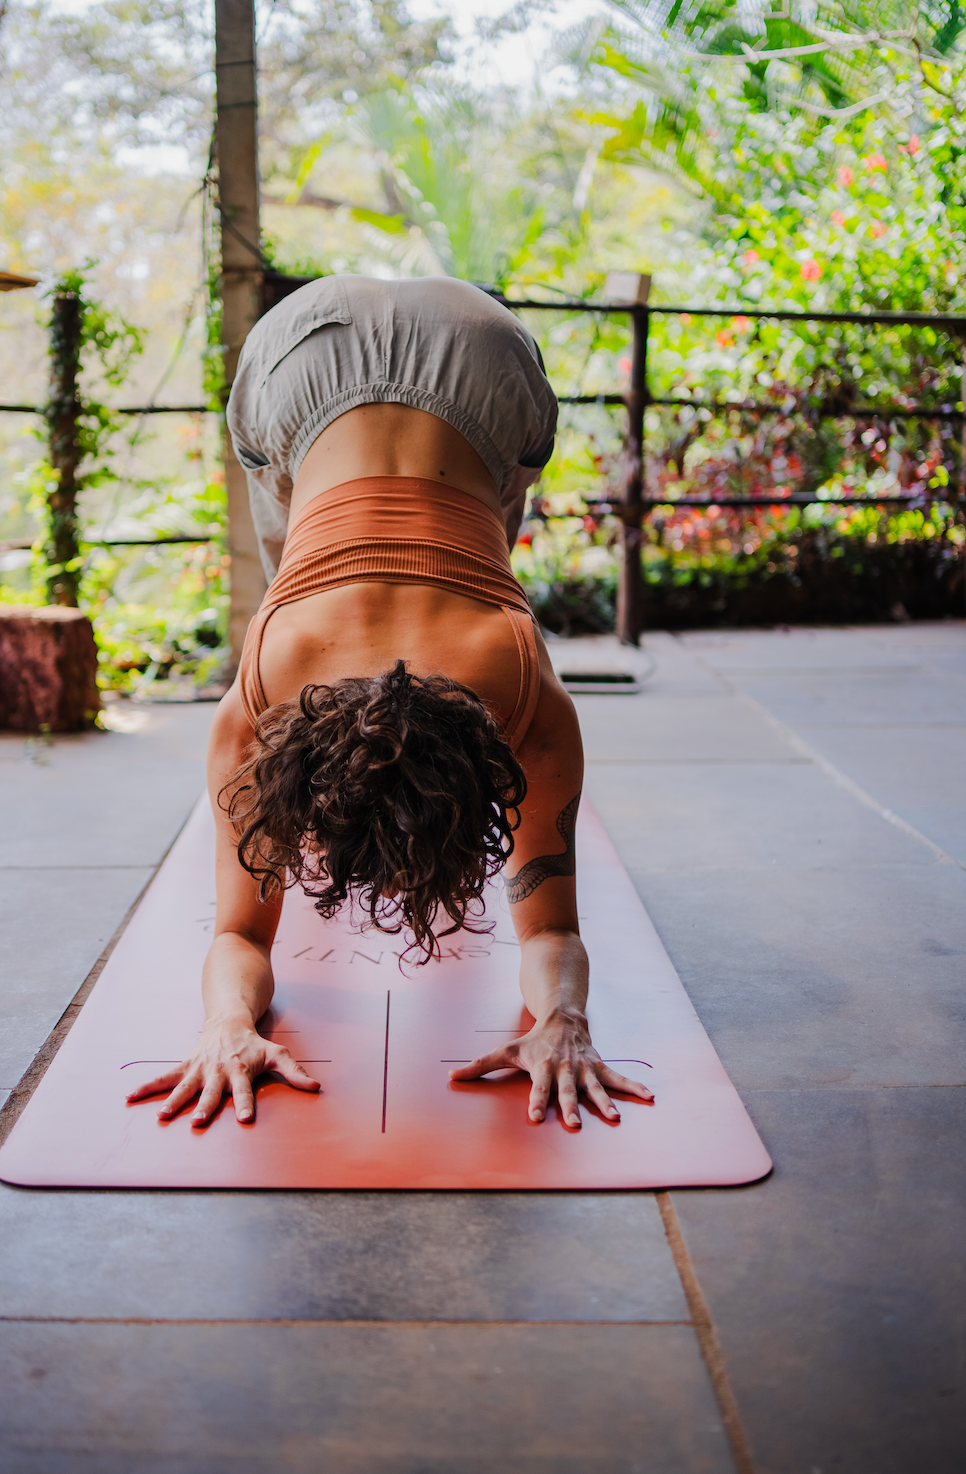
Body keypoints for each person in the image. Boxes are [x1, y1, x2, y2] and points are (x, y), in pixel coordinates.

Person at [127, 277, 653, 1131]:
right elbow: (549, 929)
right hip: (435, 342)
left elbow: (241, 935)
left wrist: (229, 1019)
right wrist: (561, 1017)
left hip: (433, 351)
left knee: (366, 528)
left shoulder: (265, 700)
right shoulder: (520, 695)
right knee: (426, 521)